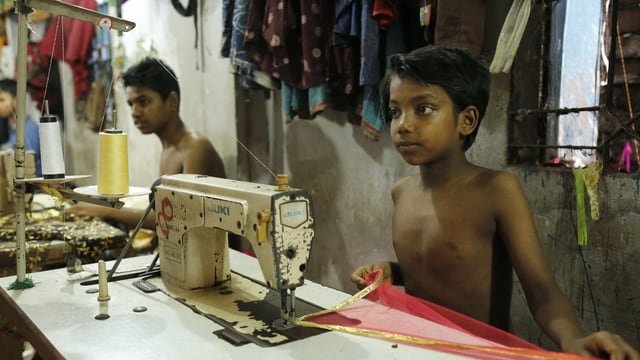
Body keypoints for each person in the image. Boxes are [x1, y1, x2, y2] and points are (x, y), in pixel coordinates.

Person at [350, 45, 639, 359]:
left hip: (478, 353)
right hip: (415, 348)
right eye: (395, 111)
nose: (403, 125)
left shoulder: (496, 190)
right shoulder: (401, 192)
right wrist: (393, 271)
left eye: (423, 109)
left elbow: (542, 291)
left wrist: (573, 340)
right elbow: (438, 274)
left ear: (467, 120)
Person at [67, 58, 226, 230]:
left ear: (172, 101)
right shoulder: (168, 148)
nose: (135, 113)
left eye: (143, 101)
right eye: (131, 104)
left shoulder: (195, 148)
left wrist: (107, 210)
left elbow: (180, 220)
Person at [0, 79, 42, 176]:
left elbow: (28, 168)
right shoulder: (12, 128)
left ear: (16, 100)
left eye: (2, 100)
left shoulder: (28, 131)